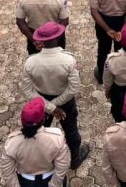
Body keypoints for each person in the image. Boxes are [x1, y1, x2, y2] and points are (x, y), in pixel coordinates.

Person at [22, 22, 90, 169]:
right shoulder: (68, 60)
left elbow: (27, 90)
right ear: (58, 38)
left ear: (41, 40)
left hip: (41, 101)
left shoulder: (30, 62)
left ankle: (43, 161)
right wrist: (56, 105)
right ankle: (75, 159)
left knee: (40, 131)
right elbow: (73, 88)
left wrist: (50, 107)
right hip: (64, 100)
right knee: (71, 130)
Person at [1, 97, 70, 187]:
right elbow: (62, 166)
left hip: (26, 182)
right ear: (43, 118)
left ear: (22, 121)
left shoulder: (11, 143)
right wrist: (53, 185)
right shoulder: (57, 138)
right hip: (50, 177)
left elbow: (8, 173)